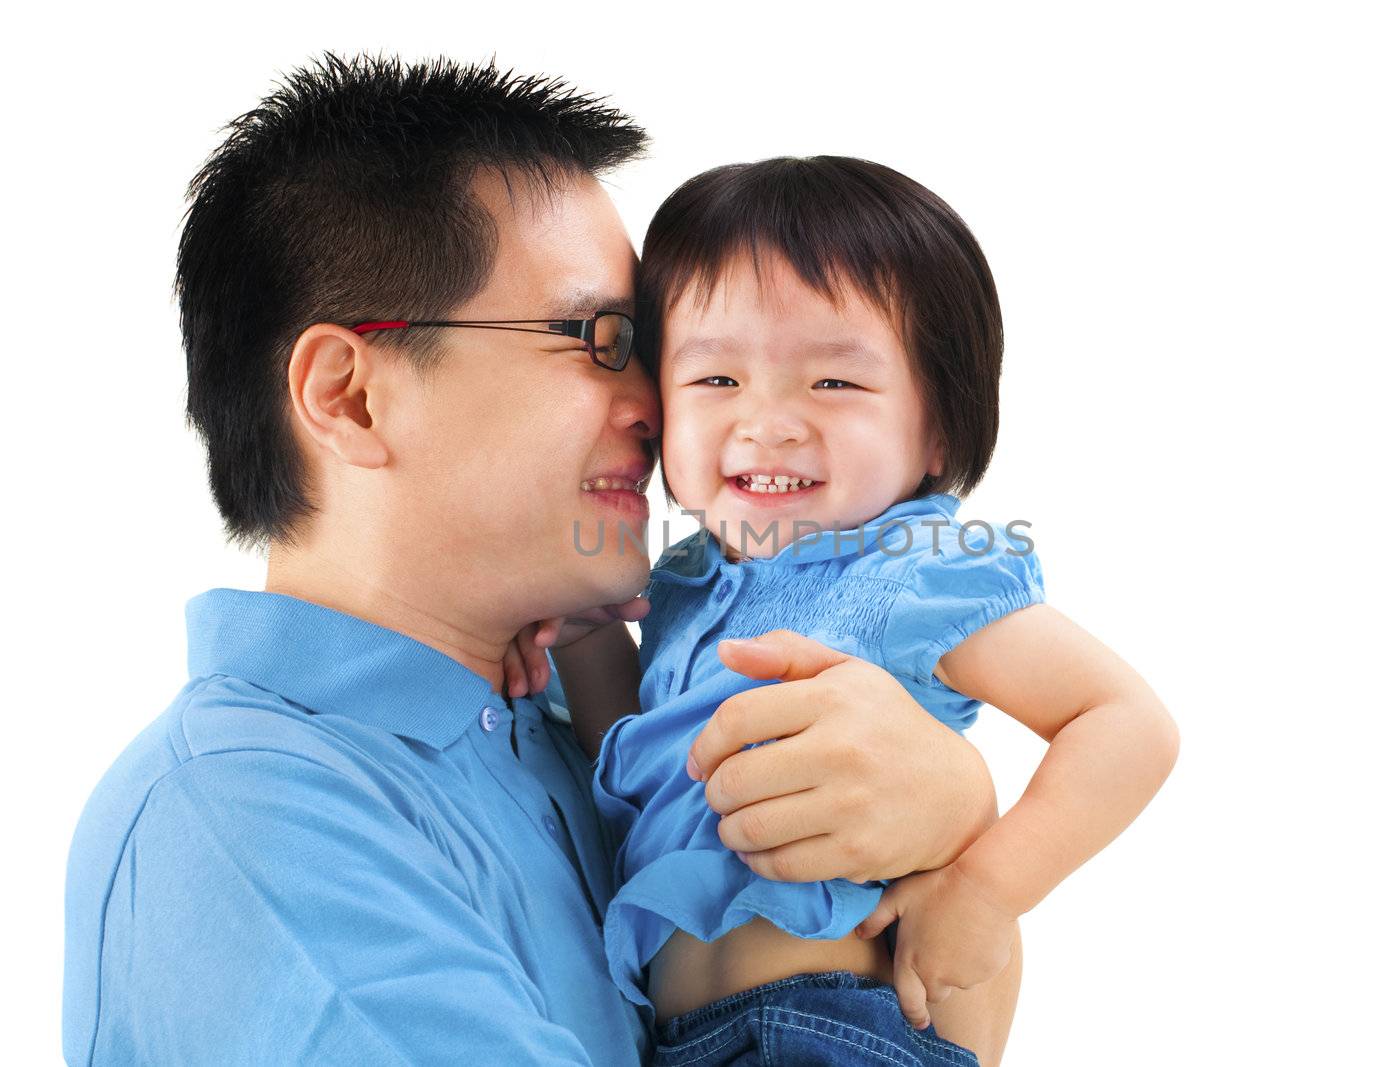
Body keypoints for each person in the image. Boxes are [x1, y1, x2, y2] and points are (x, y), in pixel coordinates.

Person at [61, 56, 1005, 1066]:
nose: (663, 403)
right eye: (598, 337)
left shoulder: (580, 741)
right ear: (350, 395)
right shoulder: (250, 821)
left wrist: (958, 827)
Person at [502, 157, 1181, 1066]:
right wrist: (583, 631)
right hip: (675, 1039)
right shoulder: (686, 580)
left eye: (833, 384)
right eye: (715, 381)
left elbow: (1127, 722)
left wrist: (985, 889)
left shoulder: (918, 566)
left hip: (827, 1028)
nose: (769, 421)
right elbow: (630, 754)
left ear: (939, 428)